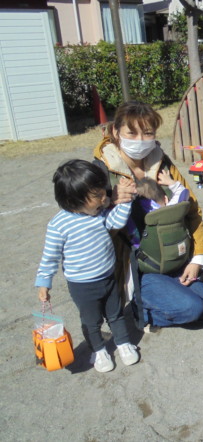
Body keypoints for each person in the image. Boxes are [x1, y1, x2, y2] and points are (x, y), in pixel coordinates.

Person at [93, 101, 203, 328]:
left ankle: (166, 293)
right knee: (192, 308)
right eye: (131, 133)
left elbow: (191, 209)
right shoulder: (101, 170)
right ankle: (138, 309)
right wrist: (110, 202)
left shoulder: (161, 163)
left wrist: (197, 258)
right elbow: (86, 224)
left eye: (148, 133)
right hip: (138, 267)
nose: (140, 141)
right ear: (115, 131)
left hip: (173, 255)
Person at [35, 159, 140, 373]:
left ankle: (123, 343)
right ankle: (99, 350)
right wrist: (44, 282)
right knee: (91, 321)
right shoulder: (58, 225)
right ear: (73, 201)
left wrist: (126, 200)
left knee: (116, 314)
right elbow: (50, 257)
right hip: (82, 286)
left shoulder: (99, 214)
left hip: (109, 277)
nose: (104, 198)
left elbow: (116, 222)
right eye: (97, 196)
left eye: (103, 192)